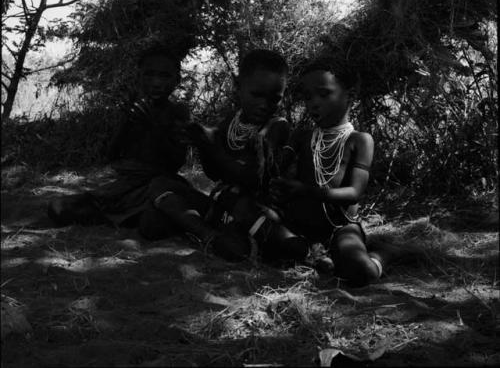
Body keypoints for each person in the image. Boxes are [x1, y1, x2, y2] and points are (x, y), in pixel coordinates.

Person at [47, 44, 215, 244]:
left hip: (157, 187)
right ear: (139, 77)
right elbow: (111, 155)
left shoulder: (177, 113)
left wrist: (153, 127)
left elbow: (174, 163)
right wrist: (127, 122)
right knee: (58, 207)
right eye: (149, 75)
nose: (156, 83)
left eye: (164, 76)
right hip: (123, 187)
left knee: (152, 223)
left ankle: (129, 218)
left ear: (176, 80)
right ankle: (118, 217)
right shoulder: (133, 108)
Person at [269, 56, 388, 287]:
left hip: (340, 226)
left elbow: (354, 193)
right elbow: (278, 169)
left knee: (361, 271)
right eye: (308, 97)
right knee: (264, 233)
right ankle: (317, 257)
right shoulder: (302, 136)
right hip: (299, 224)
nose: (313, 103)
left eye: (323, 94)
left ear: (349, 96)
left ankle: (385, 254)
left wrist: (305, 190)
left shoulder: (360, 141)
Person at [188, 49, 309, 263]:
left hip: (261, 204)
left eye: (275, 99)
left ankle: (287, 246)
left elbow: (251, 178)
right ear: (238, 87)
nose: (265, 105)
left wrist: (213, 148)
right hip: (228, 201)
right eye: (257, 95)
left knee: (244, 214)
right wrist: (203, 146)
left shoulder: (276, 127)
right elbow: (215, 173)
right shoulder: (229, 123)